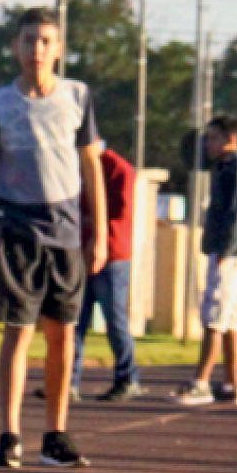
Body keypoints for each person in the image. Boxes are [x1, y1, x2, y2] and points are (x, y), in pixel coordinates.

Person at [0, 7, 107, 469]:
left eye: (45, 41)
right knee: (18, 330)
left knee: (63, 334)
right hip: (15, 227)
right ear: (16, 47)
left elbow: (90, 163)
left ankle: (55, 433)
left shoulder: (77, 96)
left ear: (58, 49)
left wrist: (102, 235)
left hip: (67, 229)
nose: (37, 49)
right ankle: (9, 434)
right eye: (29, 40)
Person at [177, 113, 237, 406]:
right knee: (229, 320)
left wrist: (225, 250)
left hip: (231, 253)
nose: (208, 144)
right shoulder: (226, 168)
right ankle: (231, 384)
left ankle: (201, 382)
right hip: (232, 251)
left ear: (231, 139)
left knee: (214, 314)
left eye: (213, 138)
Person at [69, 143, 145, 401]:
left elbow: (121, 210)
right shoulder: (75, 166)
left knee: (115, 320)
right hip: (81, 254)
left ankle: (127, 378)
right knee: (74, 321)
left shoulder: (118, 168)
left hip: (112, 256)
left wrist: (93, 219)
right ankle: (68, 382)